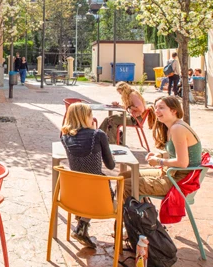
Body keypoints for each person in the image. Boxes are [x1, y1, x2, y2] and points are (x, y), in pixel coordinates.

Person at [121, 96, 201, 201]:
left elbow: (182, 163)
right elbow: (179, 152)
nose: (157, 111)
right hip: (171, 173)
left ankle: (132, 215)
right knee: (123, 176)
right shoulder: (173, 127)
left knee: (126, 184)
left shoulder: (178, 129)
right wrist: (161, 155)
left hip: (179, 180)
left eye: (161, 108)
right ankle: (140, 212)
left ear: (174, 110)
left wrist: (159, 161)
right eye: (156, 108)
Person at [61, 103, 116, 248]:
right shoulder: (98, 135)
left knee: (87, 181)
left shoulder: (64, 137)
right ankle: (123, 232)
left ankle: (82, 222)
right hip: (99, 195)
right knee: (124, 188)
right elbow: (111, 165)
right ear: (86, 117)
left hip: (74, 193)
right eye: (91, 115)